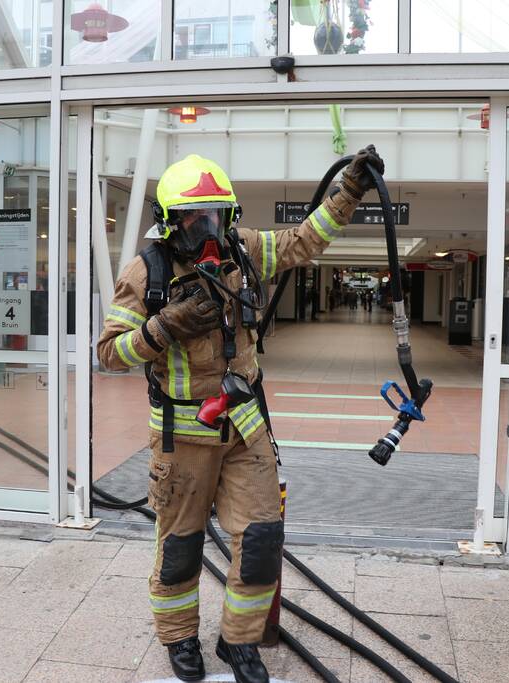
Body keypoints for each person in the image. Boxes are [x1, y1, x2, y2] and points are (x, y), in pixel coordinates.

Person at [97, 149, 380, 683]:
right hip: (181, 438)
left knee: (261, 541)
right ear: (169, 221)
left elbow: (303, 241)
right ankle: (180, 639)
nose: (205, 230)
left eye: (214, 216)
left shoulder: (244, 251)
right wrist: (165, 327)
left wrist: (349, 191)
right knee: (181, 548)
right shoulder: (145, 273)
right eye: (192, 218)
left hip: (244, 427)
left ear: (228, 215)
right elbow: (109, 353)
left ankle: (238, 642)